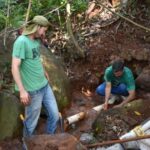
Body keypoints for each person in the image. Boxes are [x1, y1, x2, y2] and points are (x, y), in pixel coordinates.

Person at [11, 15, 59, 137]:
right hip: (32, 90)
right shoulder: (21, 42)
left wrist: (43, 70)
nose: (44, 32)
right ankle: (27, 144)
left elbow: (36, 57)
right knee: (31, 123)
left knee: (54, 115)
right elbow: (15, 67)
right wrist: (22, 91)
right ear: (37, 27)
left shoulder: (36, 41)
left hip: (44, 85)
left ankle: (49, 139)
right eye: (43, 29)